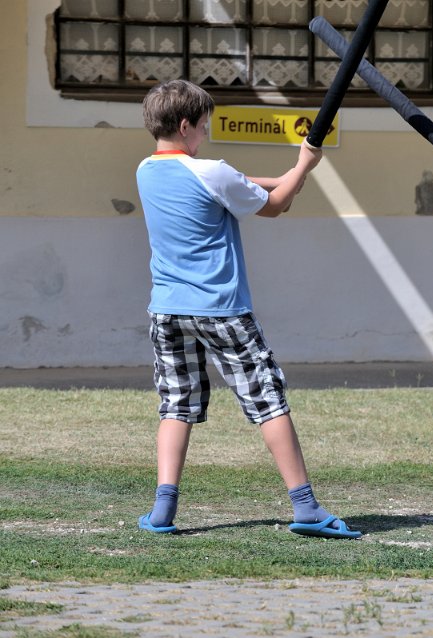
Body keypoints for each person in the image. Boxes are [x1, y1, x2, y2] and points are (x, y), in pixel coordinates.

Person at [135, 79, 359, 539]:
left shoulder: (146, 170)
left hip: (166, 310)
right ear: (185, 125)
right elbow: (273, 206)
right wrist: (304, 165)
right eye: (203, 126)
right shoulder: (212, 172)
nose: (205, 133)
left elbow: (237, 185)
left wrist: (289, 175)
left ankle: (162, 509)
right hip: (221, 309)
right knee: (268, 400)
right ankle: (306, 506)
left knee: (176, 405)